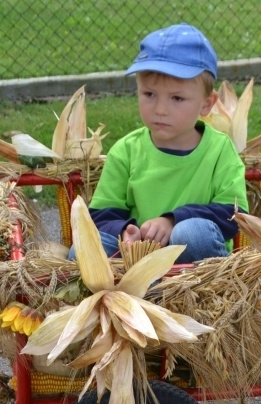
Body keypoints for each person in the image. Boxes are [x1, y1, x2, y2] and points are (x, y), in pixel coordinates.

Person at [85, 24, 249, 264]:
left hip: (195, 264)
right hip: (137, 260)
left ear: (206, 103)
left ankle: (192, 291)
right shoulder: (126, 150)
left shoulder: (219, 150)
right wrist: (124, 231)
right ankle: (135, 293)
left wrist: (174, 221)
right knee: (85, 247)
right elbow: (101, 215)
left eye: (177, 98)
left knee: (190, 233)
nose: (160, 110)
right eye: (149, 94)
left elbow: (234, 215)